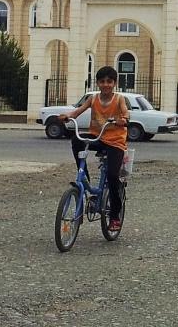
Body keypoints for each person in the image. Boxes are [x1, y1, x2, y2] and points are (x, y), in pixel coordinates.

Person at [58, 66, 129, 232]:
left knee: (112, 176)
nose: (106, 85)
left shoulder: (119, 99)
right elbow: (78, 111)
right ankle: (83, 174)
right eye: (102, 81)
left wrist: (123, 119)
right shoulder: (93, 99)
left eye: (109, 82)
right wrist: (68, 116)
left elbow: (126, 113)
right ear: (97, 83)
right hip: (97, 137)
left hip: (115, 142)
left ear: (114, 83)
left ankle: (114, 217)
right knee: (77, 139)